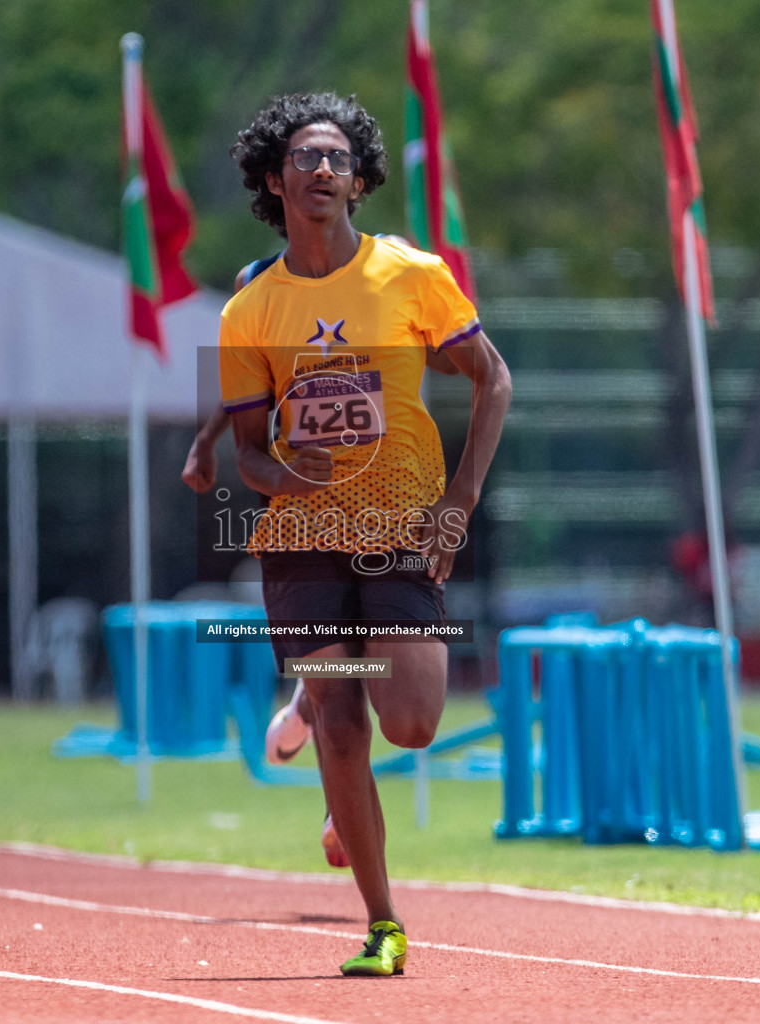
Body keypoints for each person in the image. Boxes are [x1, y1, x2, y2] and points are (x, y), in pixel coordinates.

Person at [217, 92, 510, 976]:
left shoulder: (410, 273)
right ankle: (384, 924)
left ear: (359, 179)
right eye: (304, 158)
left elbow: (492, 382)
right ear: (275, 179)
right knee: (347, 730)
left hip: (399, 525)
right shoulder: (250, 310)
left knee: (413, 722)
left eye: (337, 158)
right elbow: (245, 452)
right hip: (302, 538)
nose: (321, 170)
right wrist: (283, 474)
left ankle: (312, 695)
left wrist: (458, 501)